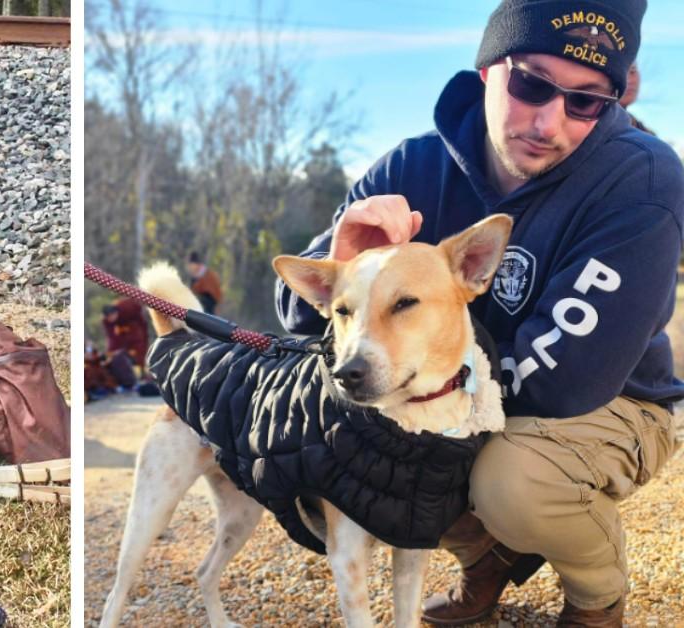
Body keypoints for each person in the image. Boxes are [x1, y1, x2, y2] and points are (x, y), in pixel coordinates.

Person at [274, 1, 679, 624]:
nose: (548, 122)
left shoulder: (642, 181)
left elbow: (567, 378)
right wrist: (342, 265)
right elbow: (297, 315)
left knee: (504, 477)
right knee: (343, 441)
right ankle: (487, 557)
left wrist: (424, 408)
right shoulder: (407, 168)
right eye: (530, 85)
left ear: (617, 101)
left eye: (586, 101)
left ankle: (596, 592)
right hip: (461, 389)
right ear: (488, 69)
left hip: (613, 400)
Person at [101, 298, 149, 372]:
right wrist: (110, 351)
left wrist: (144, 335)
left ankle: (143, 368)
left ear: (116, 312)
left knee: (140, 348)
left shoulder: (127, 307)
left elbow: (141, 321)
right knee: (118, 350)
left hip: (136, 326)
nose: (111, 319)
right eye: (109, 318)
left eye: (112, 316)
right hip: (123, 332)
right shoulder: (106, 321)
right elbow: (111, 336)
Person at [619, 61, 653, 134]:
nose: (628, 81)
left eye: (632, 71)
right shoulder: (591, 125)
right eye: (621, 73)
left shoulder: (645, 133)